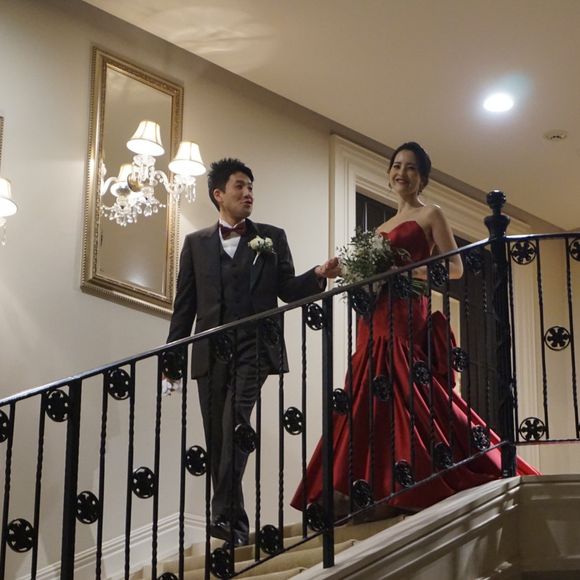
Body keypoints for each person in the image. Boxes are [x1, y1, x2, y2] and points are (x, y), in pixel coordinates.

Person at [291, 141, 539, 517]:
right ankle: (372, 486)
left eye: (410, 167)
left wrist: (407, 271)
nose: (401, 173)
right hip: (374, 317)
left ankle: (422, 475)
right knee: (369, 390)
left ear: (422, 178)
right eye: (396, 166)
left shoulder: (431, 214)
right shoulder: (379, 228)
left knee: (407, 385)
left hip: (406, 310)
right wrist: (343, 270)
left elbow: (455, 268)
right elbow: (369, 273)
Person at [165, 158, 339, 546]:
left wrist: (318, 275)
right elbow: (184, 307)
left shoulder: (271, 237)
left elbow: (288, 290)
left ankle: (222, 516)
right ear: (218, 194)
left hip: (255, 346)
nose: (248, 194)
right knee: (217, 437)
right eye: (240, 186)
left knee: (235, 423)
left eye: (251, 187)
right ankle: (235, 526)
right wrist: (171, 363)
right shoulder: (195, 244)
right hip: (210, 350)